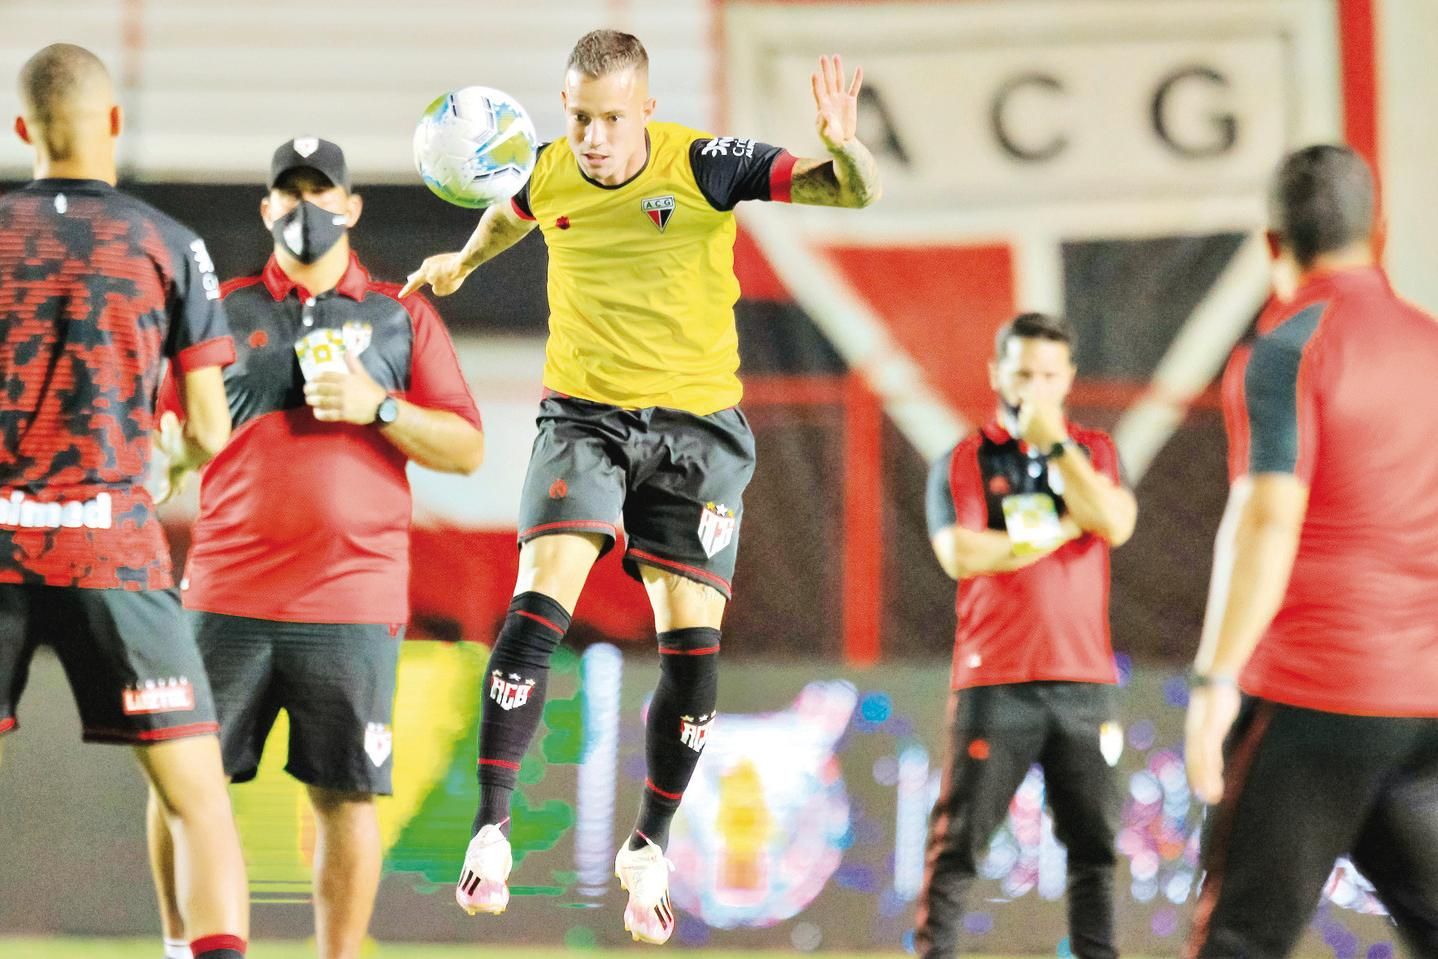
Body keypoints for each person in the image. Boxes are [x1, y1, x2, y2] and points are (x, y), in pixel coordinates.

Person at [402, 28, 880, 944]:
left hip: (696, 433)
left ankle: (647, 846)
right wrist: (462, 263)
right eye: (578, 117)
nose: (590, 137)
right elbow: (518, 208)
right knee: (537, 603)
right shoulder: (550, 169)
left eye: (610, 119)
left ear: (646, 112)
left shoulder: (703, 165)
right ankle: (492, 826)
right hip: (583, 417)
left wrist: (844, 149)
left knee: (692, 649)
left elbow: (846, 191)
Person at [145, 138, 485, 959]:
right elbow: (159, 445)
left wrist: (382, 408)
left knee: (346, 795)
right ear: (265, 208)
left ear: (353, 206)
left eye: (321, 192)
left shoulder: (402, 315)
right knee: (182, 786)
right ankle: (177, 946)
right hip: (224, 593)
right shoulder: (218, 310)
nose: (306, 209)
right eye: (289, 194)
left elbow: (468, 447)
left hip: (352, 598)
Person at [0, 43, 249, 959]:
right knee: (197, 802)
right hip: (112, 544)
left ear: (24, 130)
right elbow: (214, 429)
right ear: (111, 123)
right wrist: (171, 459)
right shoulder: (169, 244)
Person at [1183, 145, 1438, 957]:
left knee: (1237, 941)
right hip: (1426, 704)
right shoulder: (1432, 345)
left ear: (1272, 246)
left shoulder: (1285, 350)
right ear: (1381, 233)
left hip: (1317, 699)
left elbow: (1266, 519)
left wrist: (1215, 679)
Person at [916, 312, 1137, 959]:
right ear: (996, 374)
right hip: (996, 680)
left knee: (1094, 851)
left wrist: (1056, 447)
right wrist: (1060, 531)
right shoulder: (967, 456)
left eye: (1047, 374)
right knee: (958, 847)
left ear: (1068, 378)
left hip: (1085, 684)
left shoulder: (1092, 450)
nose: (1034, 387)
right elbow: (961, 550)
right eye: (1021, 374)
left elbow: (1116, 520)